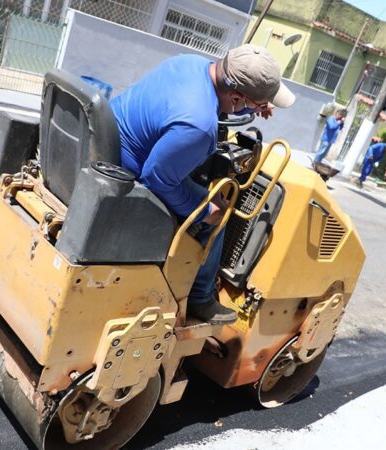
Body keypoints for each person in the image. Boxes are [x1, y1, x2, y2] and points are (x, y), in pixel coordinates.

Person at [109, 44, 294, 324]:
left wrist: (255, 102)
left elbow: (212, 98)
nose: (258, 109)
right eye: (253, 104)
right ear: (236, 97)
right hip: (129, 172)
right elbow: (156, 178)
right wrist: (207, 212)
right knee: (219, 213)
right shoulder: (198, 127)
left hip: (113, 139)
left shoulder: (190, 63)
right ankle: (200, 298)